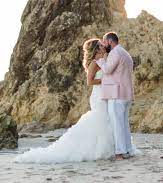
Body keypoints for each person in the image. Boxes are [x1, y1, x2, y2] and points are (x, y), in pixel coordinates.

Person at [14, 38, 139, 164]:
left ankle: (117, 149)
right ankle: (105, 150)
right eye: (101, 45)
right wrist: (105, 81)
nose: (103, 46)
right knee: (102, 118)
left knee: (110, 120)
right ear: (96, 49)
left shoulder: (105, 60)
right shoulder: (94, 63)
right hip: (99, 95)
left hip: (108, 93)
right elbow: (90, 81)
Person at [95, 32, 134, 160]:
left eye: (104, 42)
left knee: (117, 124)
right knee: (124, 124)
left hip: (117, 94)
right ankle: (128, 150)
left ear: (110, 42)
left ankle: (119, 153)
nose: (104, 44)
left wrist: (100, 60)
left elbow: (107, 69)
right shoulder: (125, 53)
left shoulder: (115, 53)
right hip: (126, 94)